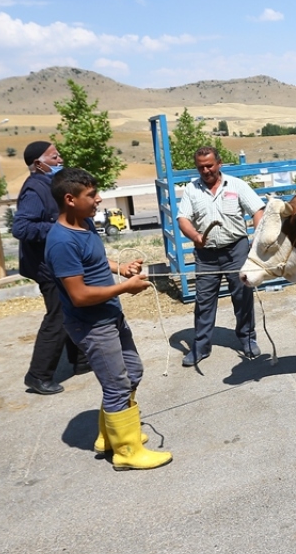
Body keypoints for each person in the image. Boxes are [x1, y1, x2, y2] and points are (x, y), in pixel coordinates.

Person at [46, 167, 171, 470]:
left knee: (132, 372)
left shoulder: (85, 224)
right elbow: (78, 295)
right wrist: (126, 288)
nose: (99, 199)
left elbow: (96, 260)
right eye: (91, 195)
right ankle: (126, 452)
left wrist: (122, 268)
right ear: (70, 199)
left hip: (109, 315)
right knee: (117, 384)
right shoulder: (61, 241)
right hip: (91, 325)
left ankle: (109, 435)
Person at [175, 146, 266, 367]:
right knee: (204, 301)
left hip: (237, 250)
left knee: (242, 297)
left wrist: (257, 237)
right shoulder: (191, 190)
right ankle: (200, 347)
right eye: (201, 167)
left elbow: (258, 210)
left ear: (219, 163)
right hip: (206, 255)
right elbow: (182, 219)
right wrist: (195, 235)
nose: (205, 170)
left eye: (209, 165)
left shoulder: (236, 185)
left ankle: (247, 339)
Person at [13, 141, 89, 395]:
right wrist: (59, 229)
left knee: (74, 310)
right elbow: (21, 228)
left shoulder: (52, 185)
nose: (60, 160)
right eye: (54, 157)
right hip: (48, 267)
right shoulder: (34, 189)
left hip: (63, 262)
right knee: (57, 317)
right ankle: (38, 375)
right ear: (39, 164)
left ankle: (81, 361)